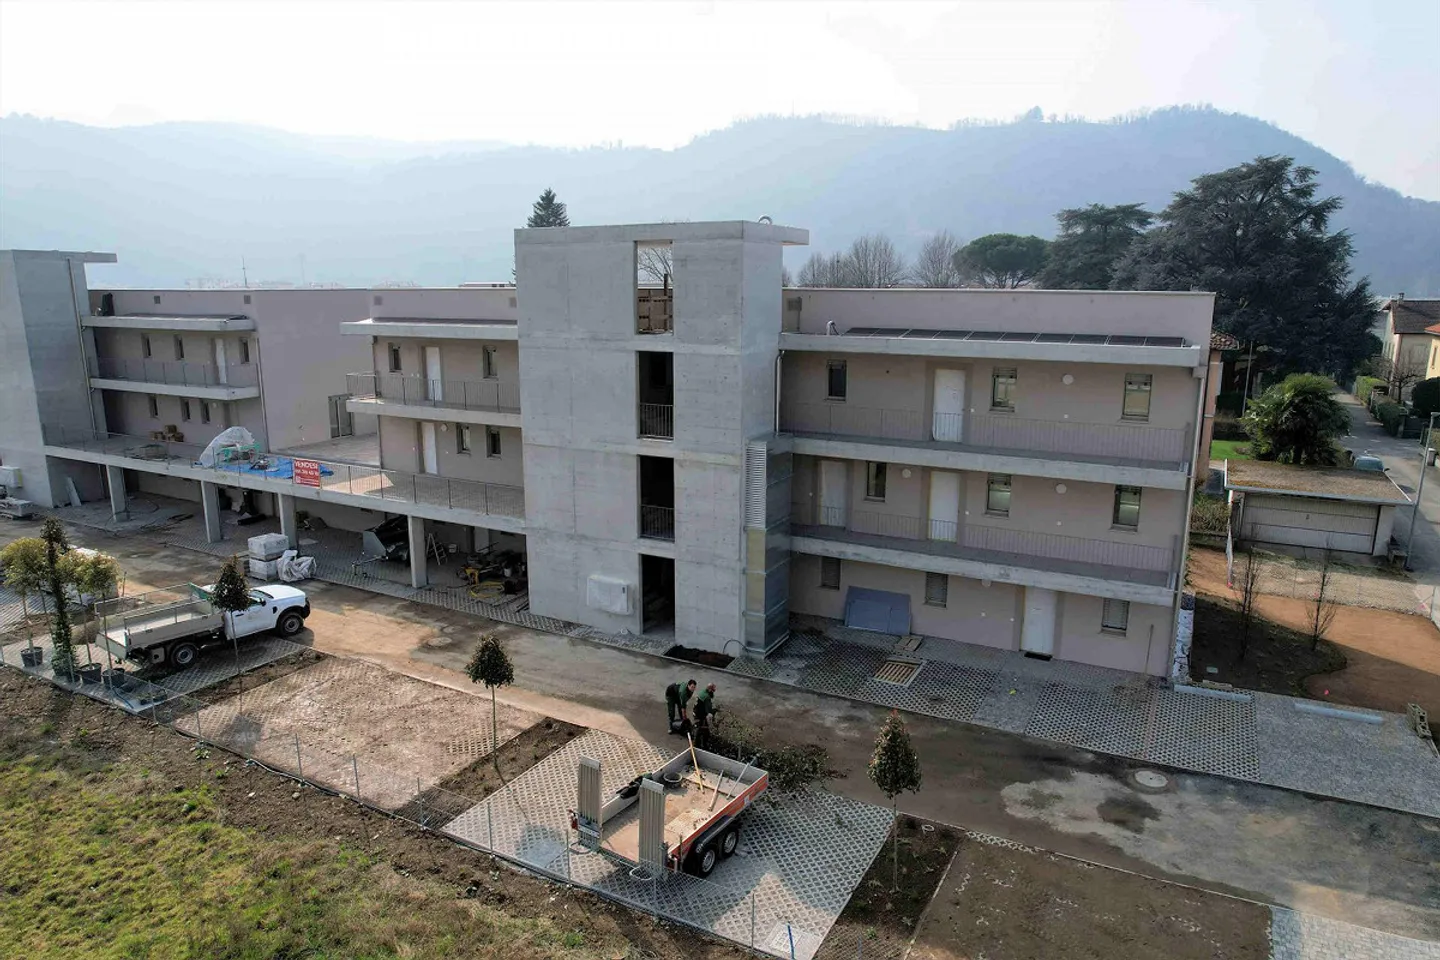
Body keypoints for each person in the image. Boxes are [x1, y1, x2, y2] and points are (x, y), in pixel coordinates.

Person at [693, 683, 719, 749]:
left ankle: (699, 742)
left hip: (696, 712)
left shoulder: (703, 692)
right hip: (700, 715)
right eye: (713, 691)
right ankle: (700, 744)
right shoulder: (707, 697)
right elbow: (708, 711)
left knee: (699, 727)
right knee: (703, 729)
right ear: (710, 689)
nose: (713, 692)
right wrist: (714, 712)